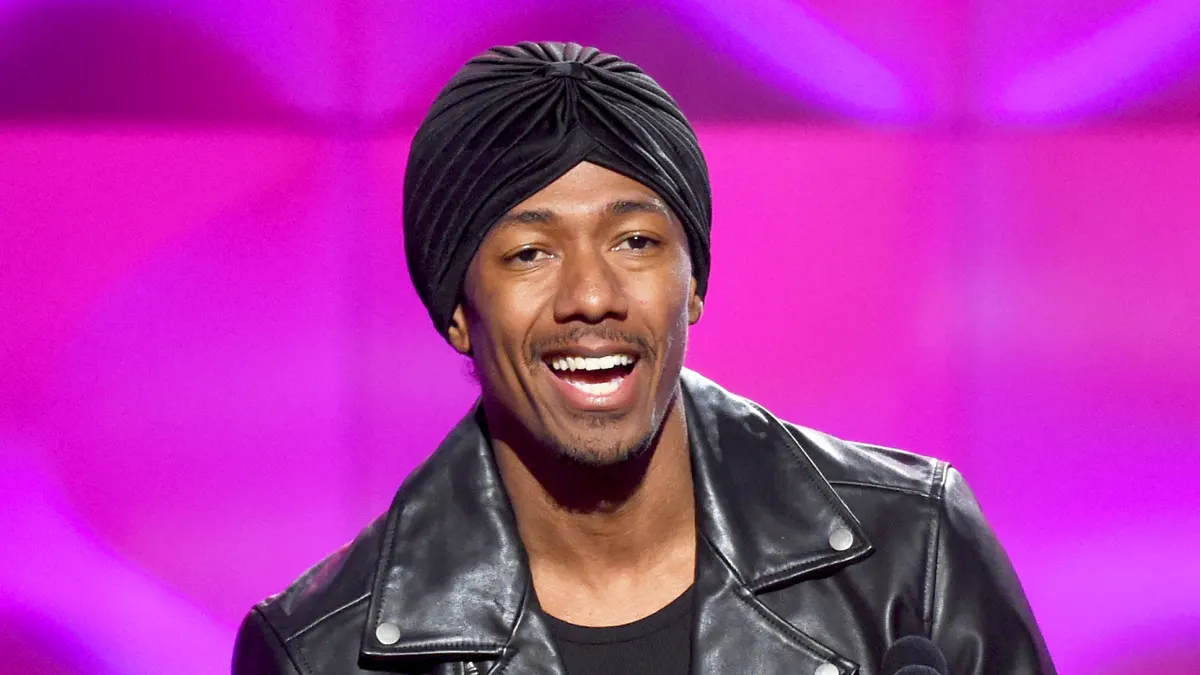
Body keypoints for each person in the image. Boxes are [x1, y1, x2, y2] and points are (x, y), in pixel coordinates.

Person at [232, 42, 1056, 675]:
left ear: (691, 283)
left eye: (635, 241)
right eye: (529, 252)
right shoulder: (325, 649)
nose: (592, 296)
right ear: (456, 309)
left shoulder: (913, 551)